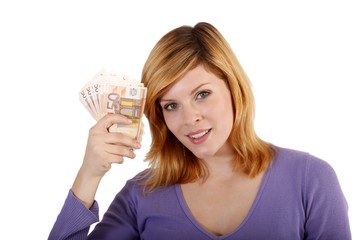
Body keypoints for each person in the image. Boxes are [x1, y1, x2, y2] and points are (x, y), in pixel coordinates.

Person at [48, 22, 351, 240]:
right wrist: (89, 174)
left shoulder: (309, 180)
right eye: (171, 106)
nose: (189, 118)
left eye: (202, 94)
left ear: (233, 88)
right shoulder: (140, 195)